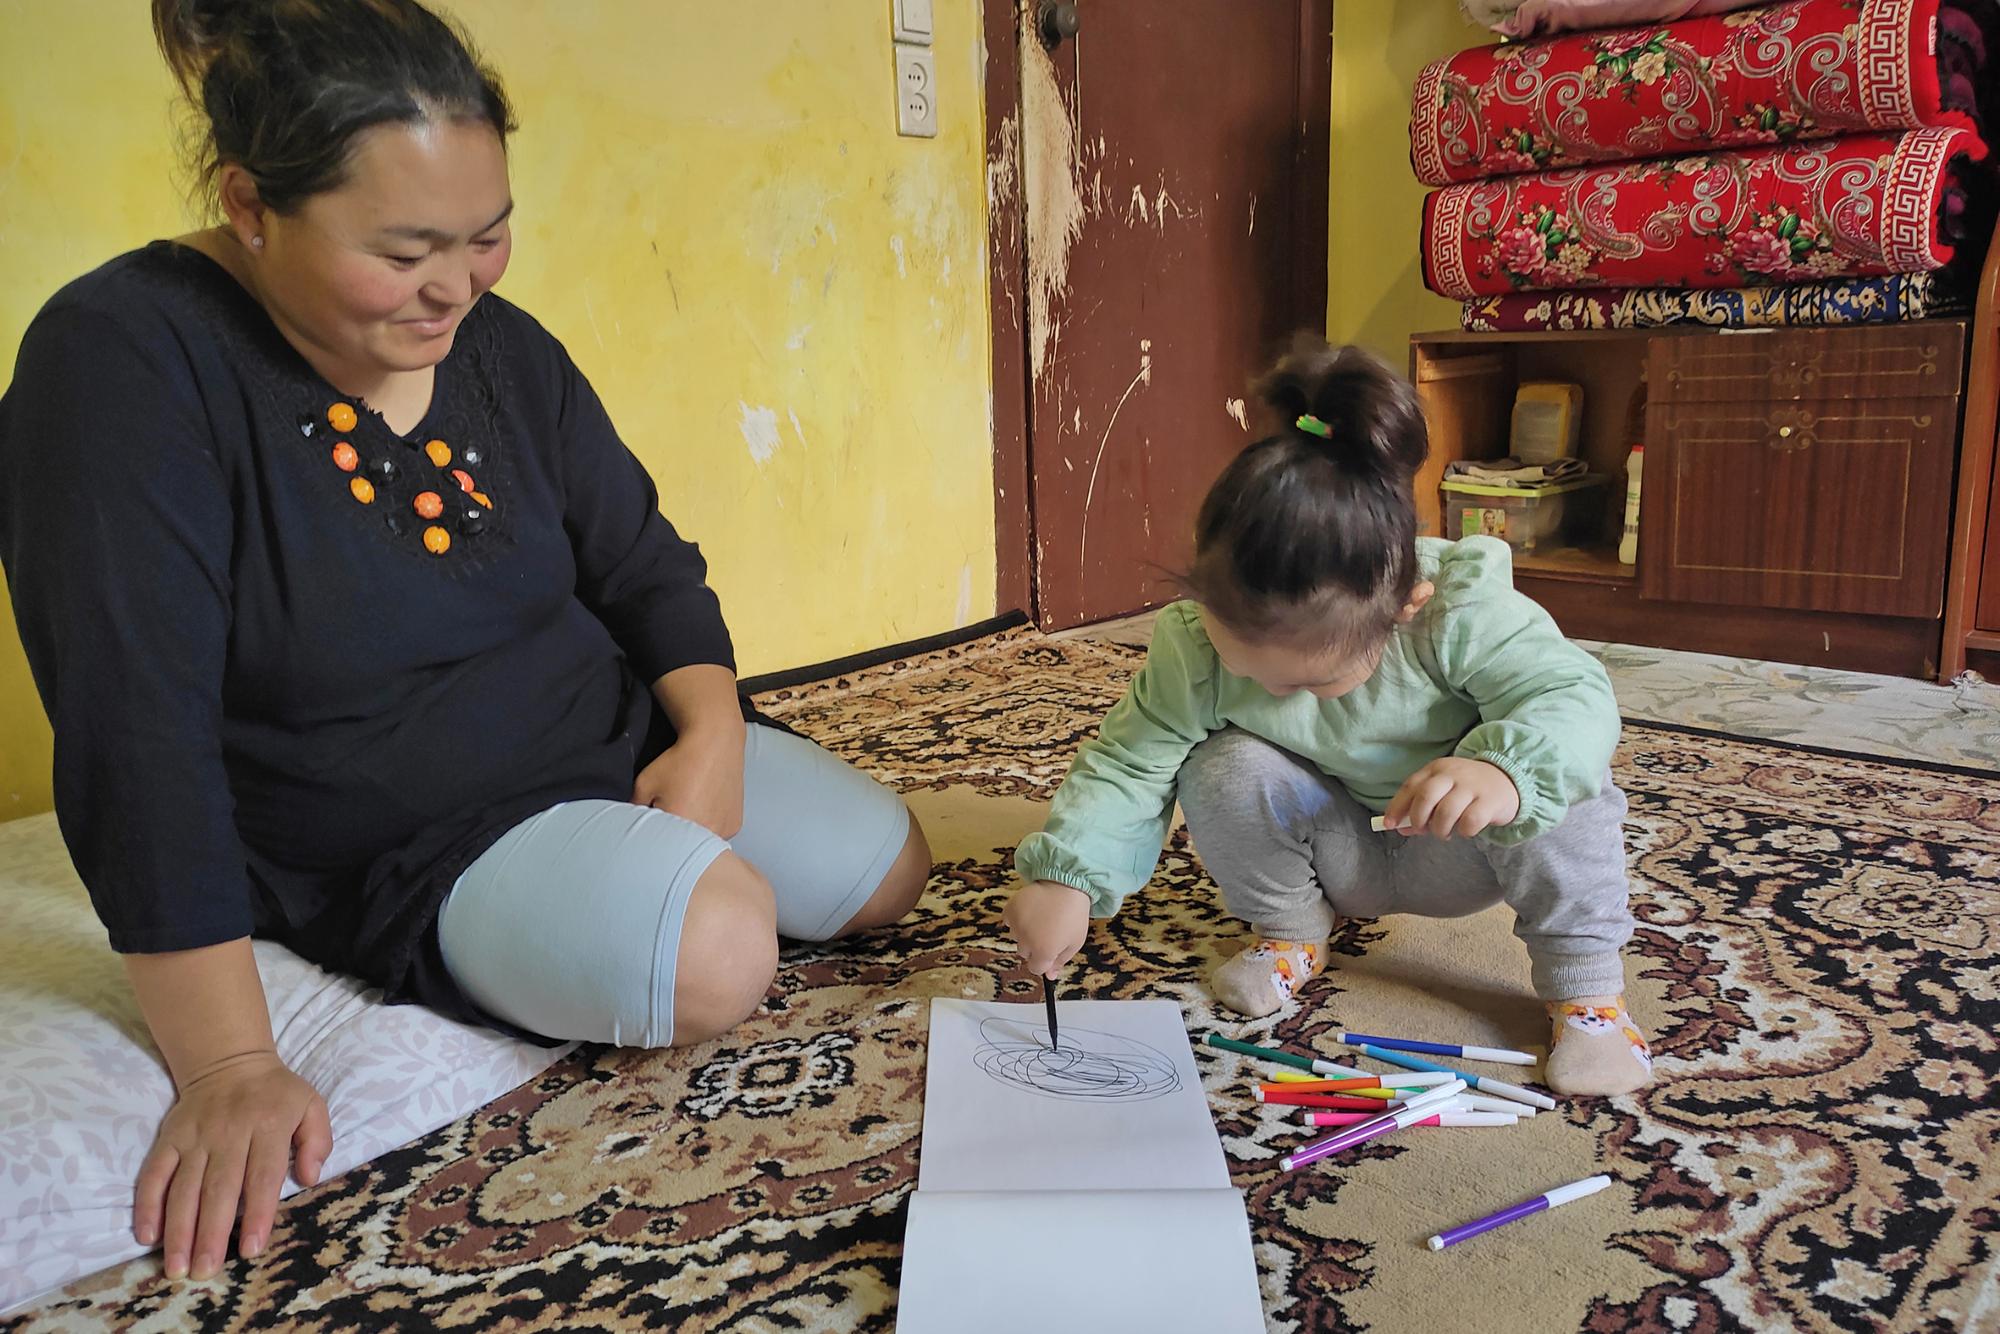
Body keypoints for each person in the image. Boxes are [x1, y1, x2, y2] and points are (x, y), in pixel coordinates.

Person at [0, 0, 929, 1285]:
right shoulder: (119, 360)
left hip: (600, 734)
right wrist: (225, 1062)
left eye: (487, 235)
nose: (458, 284)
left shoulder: (500, 346)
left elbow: (641, 561)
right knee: (721, 948)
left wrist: (711, 730)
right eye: (407, 250)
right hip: (405, 826)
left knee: (887, 870)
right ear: (252, 205)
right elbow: (130, 726)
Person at [1001, 337, 1651, 1100]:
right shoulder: (1195, 647)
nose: (1275, 695)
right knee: (1220, 762)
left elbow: (1572, 696)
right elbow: (1128, 761)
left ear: (1404, 607)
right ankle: (1290, 932)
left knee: (1563, 784)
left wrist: (1501, 774)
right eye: (1248, 669)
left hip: (1465, 851)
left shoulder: (1457, 610)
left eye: (1317, 681)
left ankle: (1587, 997)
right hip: (1339, 851)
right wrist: (1067, 876)